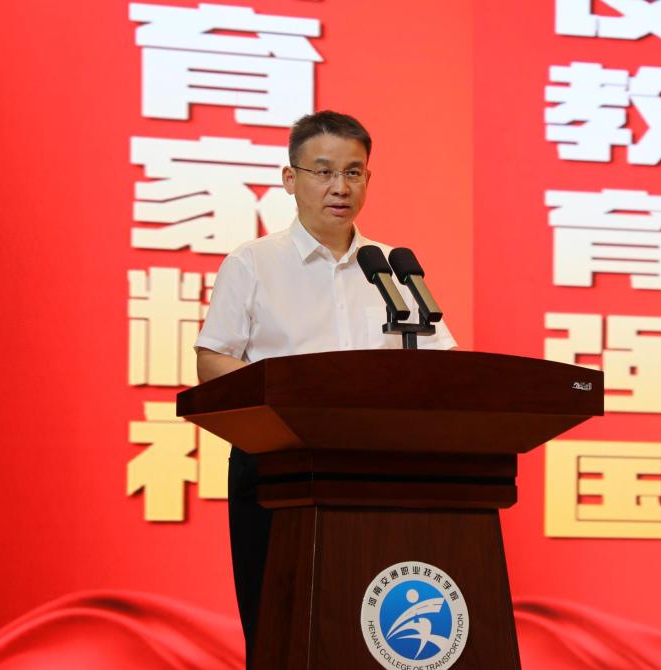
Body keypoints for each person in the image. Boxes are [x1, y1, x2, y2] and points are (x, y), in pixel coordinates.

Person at [193, 111, 456, 664]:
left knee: (374, 633)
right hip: (278, 468)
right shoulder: (253, 263)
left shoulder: (392, 268)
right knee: (281, 630)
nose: (340, 187)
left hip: (379, 473)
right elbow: (213, 361)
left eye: (353, 172)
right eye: (323, 171)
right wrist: (286, 404)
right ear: (291, 179)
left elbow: (443, 365)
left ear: (367, 179)